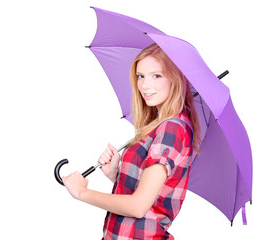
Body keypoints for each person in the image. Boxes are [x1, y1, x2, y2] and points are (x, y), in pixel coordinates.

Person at [62, 43, 201, 239]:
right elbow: (150, 195)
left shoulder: (173, 128)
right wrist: (116, 174)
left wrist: (82, 193)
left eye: (156, 76)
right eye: (140, 76)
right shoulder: (159, 125)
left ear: (175, 79)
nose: (145, 85)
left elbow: (138, 207)